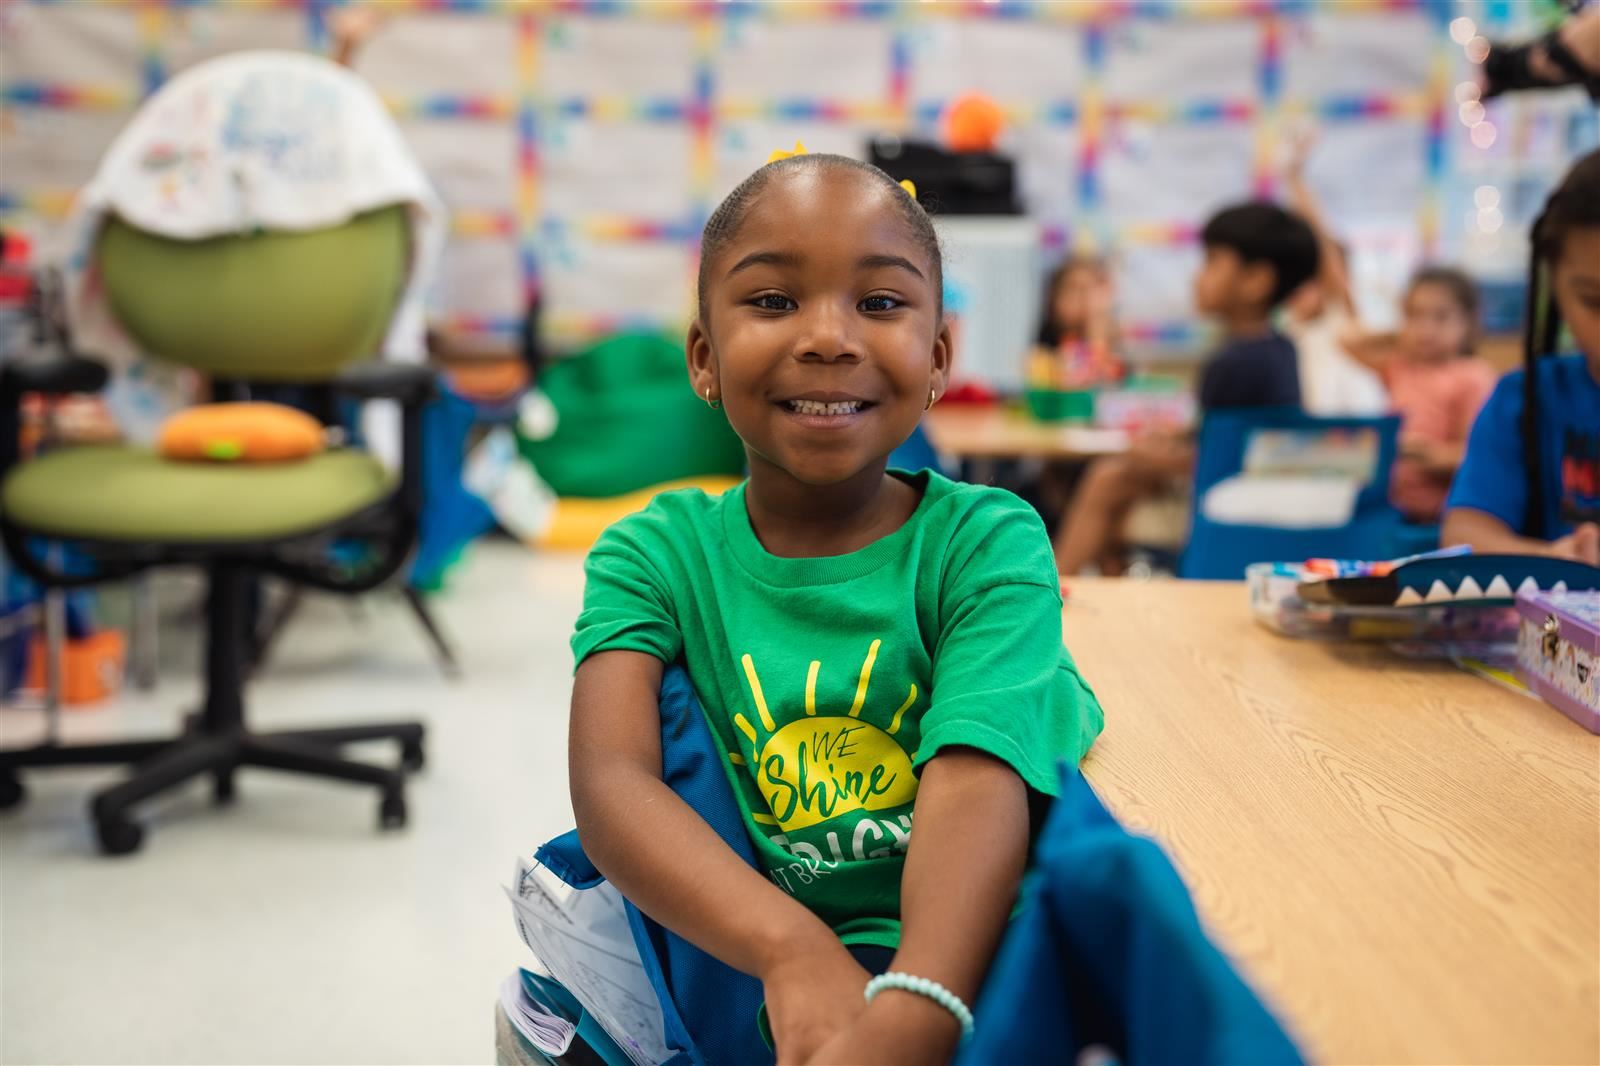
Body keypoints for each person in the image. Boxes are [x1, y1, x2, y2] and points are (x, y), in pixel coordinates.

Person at [567, 150, 1105, 1065]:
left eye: (881, 303)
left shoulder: (986, 540)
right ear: (704, 357)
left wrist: (917, 1006)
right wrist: (793, 952)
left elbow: (979, 772)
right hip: (744, 956)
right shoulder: (652, 552)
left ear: (939, 358)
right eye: (773, 302)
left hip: (969, 956)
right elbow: (612, 786)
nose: (827, 338)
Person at [1053, 202, 1317, 575]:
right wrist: (1176, 438)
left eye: (1211, 262)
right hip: (1251, 492)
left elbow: (1221, 460)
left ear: (1256, 281)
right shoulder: (1278, 348)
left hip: (1230, 503)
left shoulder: (1235, 361)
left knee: (1109, 476)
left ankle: (1055, 586)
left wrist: (1157, 455)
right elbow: (1228, 435)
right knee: (1121, 474)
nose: (1197, 277)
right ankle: (1106, 578)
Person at [1443, 149, 1600, 565]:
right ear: (1553, 285)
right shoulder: (1526, 398)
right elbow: (1464, 534)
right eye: (1594, 302)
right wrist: (1557, 558)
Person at [1339, 268, 1497, 524]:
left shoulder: (1472, 375)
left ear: (1469, 321)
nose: (1425, 329)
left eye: (1440, 317)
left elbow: (1477, 457)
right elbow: (1347, 341)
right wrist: (1405, 335)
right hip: (1395, 511)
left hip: (1437, 519)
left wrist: (1423, 454)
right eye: (1414, 315)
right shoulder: (1401, 367)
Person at [1280, 130, 1388, 417]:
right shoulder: (1287, 328)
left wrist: (1294, 178)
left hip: (1353, 424)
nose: (1302, 291)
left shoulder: (1340, 314)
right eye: (1297, 283)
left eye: (1314, 280)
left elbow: (1320, 242)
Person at [1025, 254, 1123, 388]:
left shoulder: (1119, 341)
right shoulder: (1046, 348)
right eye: (1073, 288)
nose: (1084, 297)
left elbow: (1112, 383)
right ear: (1053, 299)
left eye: (1091, 287)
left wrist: (1097, 340)